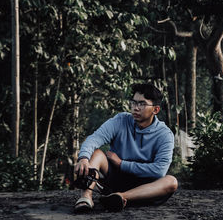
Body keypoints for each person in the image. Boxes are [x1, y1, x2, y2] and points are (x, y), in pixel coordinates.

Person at [74, 83, 178, 213]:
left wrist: (122, 164)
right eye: (134, 103)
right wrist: (83, 158)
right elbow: (94, 139)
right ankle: (86, 198)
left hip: (146, 187)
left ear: (155, 110)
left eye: (142, 104)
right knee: (96, 154)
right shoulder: (120, 120)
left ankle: (120, 198)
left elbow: (159, 170)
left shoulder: (164, 134)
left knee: (171, 181)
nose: (136, 108)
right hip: (117, 179)